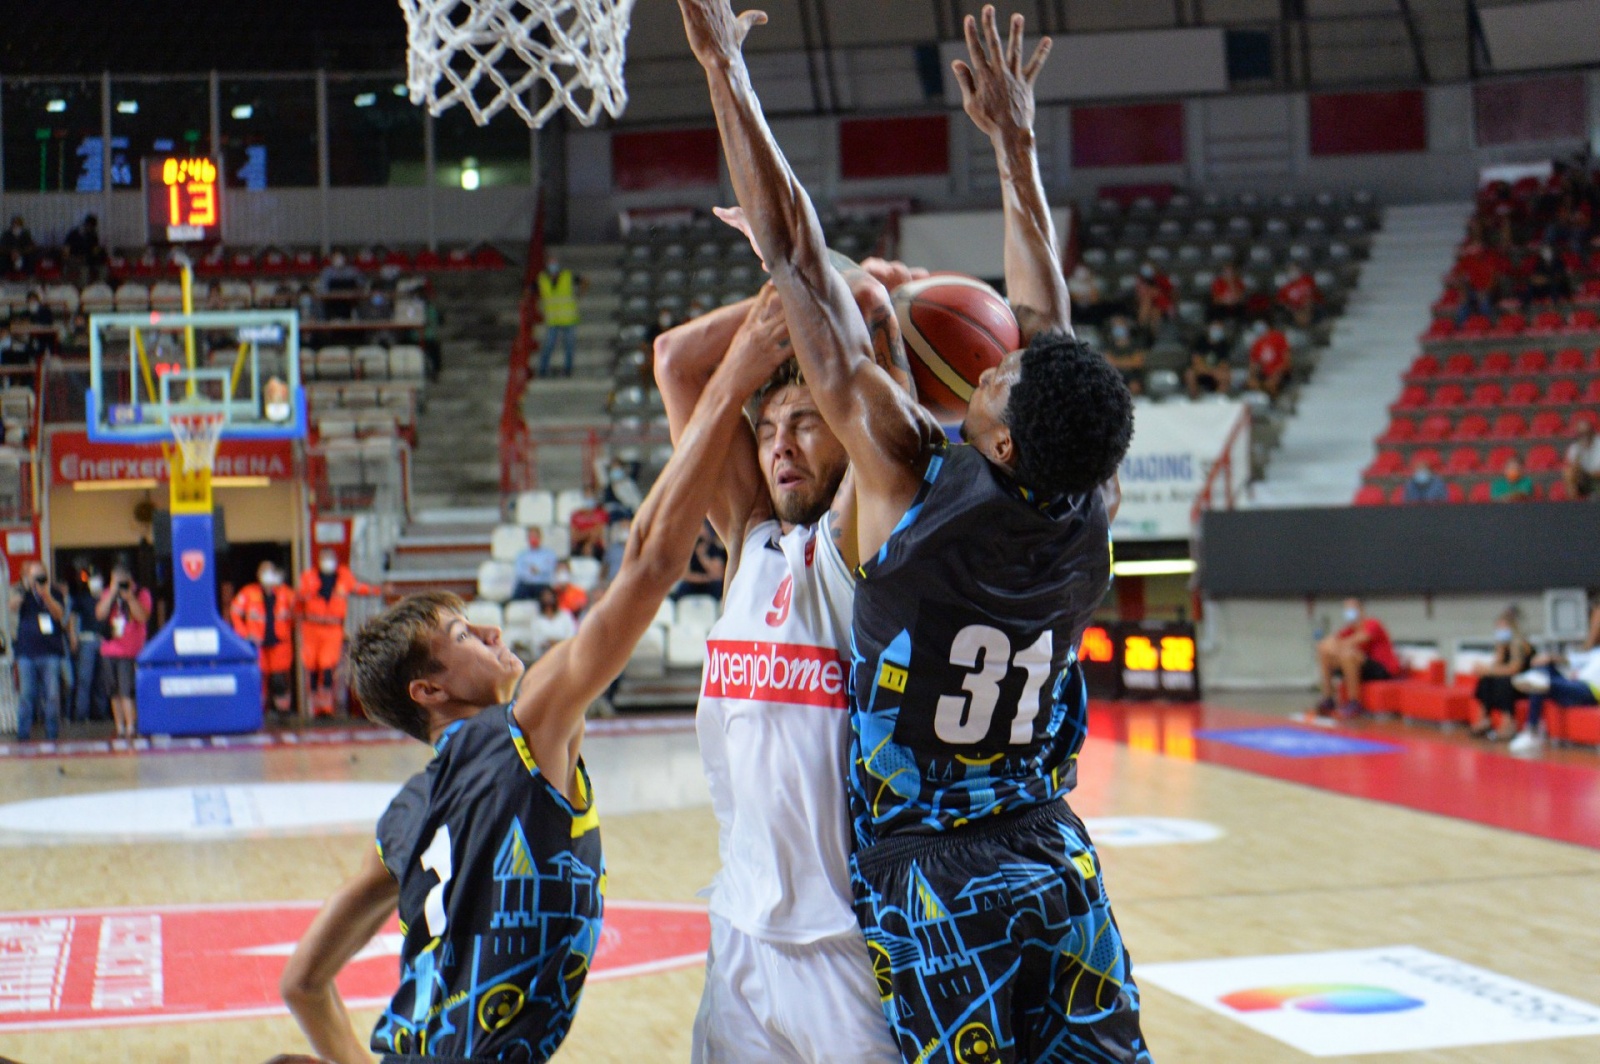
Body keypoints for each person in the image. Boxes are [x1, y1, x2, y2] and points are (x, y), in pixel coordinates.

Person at [680, 3, 1152, 1060]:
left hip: (931, 876)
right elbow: (1049, 330)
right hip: (1051, 850)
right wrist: (1013, 145)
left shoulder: (909, 477)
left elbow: (800, 261)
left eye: (993, 388)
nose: (988, 370)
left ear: (1006, 443)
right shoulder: (1091, 500)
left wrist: (725, 70)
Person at [278, 286, 783, 1063]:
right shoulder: (516, 737)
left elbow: (303, 983)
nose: (487, 627)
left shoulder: (408, 815)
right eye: (459, 634)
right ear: (430, 691)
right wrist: (733, 377)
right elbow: (650, 565)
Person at [656, 266, 910, 1062]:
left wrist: (835, 289)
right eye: (766, 430)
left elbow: (882, 400)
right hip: (738, 937)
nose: (781, 445)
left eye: (806, 422)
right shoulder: (749, 542)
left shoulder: (856, 546)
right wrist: (787, 288)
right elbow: (675, 360)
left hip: (847, 946)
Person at [296, 550, 380, 717]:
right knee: (311, 666)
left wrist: (378, 590)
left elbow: (359, 588)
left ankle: (326, 707)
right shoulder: (308, 578)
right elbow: (299, 599)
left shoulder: (344, 577)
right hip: (311, 627)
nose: (327, 562)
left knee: (327, 666)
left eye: (330, 559)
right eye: (324, 559)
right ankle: (314, 707)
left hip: (333, 628)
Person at [10, 562, 67, 743]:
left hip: (50, 651)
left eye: (42, 576)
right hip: (27, 651)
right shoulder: (21, 592)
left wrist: (46, 595)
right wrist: (27, 588)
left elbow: (59, 615)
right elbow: (12, 605)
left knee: (52, 695)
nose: (39, 580)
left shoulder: (55, 593)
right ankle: (23, 733)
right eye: (35, 577)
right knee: (26, 694)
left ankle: (51, 733)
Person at [231, 561, 297, 718]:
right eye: (264, 572)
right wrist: (245, 634)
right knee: (258, 680)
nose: (267, 575)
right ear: (258, 575)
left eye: (270, 572)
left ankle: (283, 713)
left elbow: (298, 608)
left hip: (280, 644)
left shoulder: (285, 593)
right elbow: (235, 613)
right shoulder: (248, 593)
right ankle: (259, 712)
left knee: (279, 680)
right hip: (257, 644)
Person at [1314, 598, 1400, 717]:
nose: (1349, 612)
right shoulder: (1348, 630)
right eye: (1347, 610)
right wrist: (1327, 647)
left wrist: (1337, 646)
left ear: (1361, 610)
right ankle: (1328, 699)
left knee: (1348, 654)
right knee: (1324, 653)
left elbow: (1358, 639)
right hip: (1361, 668)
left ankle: (1355, 703)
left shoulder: (1372, 624)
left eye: (1352, 609)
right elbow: (1327, 644)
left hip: (1382, 669)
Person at [97, 562, 152, 740]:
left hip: (130, 650)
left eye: (122, 581)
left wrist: (129, 597)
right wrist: (112, 593)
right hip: (110, 649)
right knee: (113, 691)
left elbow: (142, 616)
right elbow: (100, 614)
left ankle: (131, 726)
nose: (119, 585)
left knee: (126, 690)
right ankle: (119, 726)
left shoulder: (141, 593)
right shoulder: (108, 593)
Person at [1508, 648, 1600, 754]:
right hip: (1572, 681)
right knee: (1543, 668)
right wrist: (1550, 658)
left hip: (1590, 691)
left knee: (1539, 682)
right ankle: (1541, 679)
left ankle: (1532, 730)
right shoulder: (1596, 652)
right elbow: (1573, 659)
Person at [1468, 607, 1535, 740]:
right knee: (1487, 679)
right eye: (1498, 628)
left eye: (1503, 627)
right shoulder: (1504, 644)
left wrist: (1489, 670)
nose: (1499, 631)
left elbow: (1514, 669)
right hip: (1512, 682)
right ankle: (1484, 718)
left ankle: (1509, 722)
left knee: (1504, 680)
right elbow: (1497, 665)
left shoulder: (1519, 643)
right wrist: (1486, 667)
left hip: (1525, 685)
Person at [66, 563, 111, 724]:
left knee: (102, 680)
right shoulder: (82, 597)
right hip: (87, 640)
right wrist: (73, 637)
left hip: (105, 641)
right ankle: (80, 715)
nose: (95, 582)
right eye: (92, 579)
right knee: (84, 679)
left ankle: (100, 714)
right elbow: (73, 617)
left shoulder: (108, 597)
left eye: (97, 579)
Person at [536, 256, 586, 377]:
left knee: (569, 346)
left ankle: (568, 370)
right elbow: (531, 290)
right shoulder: (542, 279)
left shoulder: (567, 276)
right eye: (550, 264)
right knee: (548, 346)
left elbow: (585, 281)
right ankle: (542, 370)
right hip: (553, 319)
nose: (553, 266)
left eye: (554, 264)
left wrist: (579, 294)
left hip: (568, 318)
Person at [671, 520, 726, 600]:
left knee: (719, 587)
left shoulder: (715, 548)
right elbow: (685, 574)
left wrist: (702, 557)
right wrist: (703, 578)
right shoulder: (688, 550)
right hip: (693, 583)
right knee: (682, 589)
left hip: (710, 585)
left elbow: (717, 574)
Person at [1246, 318, 1292, 400]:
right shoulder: (1256, 343)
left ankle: (1276, 402)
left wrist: (1277, 374)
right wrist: (1252, 377)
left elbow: (1287, 360)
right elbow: (1253, 364)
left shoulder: (1278, 337)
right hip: (1264, 374)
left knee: (1271, 384)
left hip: (1280, 373)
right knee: (1252, 383)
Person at [1186, 319, 1233, 397]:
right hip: (1202, 372)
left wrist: (1216, 372)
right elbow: (1196, 362)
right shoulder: (1200, 342)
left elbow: (1224, 365)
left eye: (1219, 328)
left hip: (1216, 373)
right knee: (1190, 374)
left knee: (1226, 376)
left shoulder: (1224, 345)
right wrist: (1210, 372)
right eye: (1215, 328)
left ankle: (1219, 399)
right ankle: (1194, 399)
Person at [1103, 315, 1147, 396]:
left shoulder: (1136, 344)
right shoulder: (1108, 345)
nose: (1118, 328)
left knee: (1134, 386)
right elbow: (1108, 362)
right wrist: (1129, 361)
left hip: (1133, 376)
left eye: (1120, 325)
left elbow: (1138, 362)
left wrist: (1117, 362)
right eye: (1116, 326)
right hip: (1115, 376)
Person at [510, 528, 559, 601]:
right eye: (531, 537)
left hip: (543, 584)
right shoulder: (521, 555)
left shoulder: (549, 554)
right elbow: (519, 572)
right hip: (526, 585)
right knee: (517, 595)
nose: (533, 539)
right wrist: (533, 572)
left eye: (535, 536)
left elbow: (550, 569)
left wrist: (537, 570)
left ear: (540, 538)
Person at [528, 586, 577, 659]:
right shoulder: (537, 619)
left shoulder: (565, 615)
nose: (547, 599)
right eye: (545, 596)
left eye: (549, 596)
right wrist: (548, 643)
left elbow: (571, 634)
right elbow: (535, 639)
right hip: (544, 653)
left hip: (564, 651)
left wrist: (557, 643)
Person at [317, 251, 365, 321]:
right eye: (336, 258)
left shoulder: (352, 271)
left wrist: (355, 292)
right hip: (332, 301)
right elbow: (323, 288)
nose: (339, 260)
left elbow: (361, 284)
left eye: (340, 258)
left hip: (350, 301)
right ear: (332, 259)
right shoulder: (327, 272)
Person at [62, 213, 108, 284]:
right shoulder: (73, 234)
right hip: (74, 259)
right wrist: (70, 258)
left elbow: (94, 251)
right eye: (90, 226)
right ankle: (83, 289)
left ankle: (101, 287)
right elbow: (66, 250)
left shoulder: (93, 235)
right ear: (86, 224)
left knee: (103, 268)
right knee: (84, 270)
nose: (91, 229)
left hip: (87, 260)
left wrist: (100, 247)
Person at [1275, 263, 1319, 330]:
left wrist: (1308, 307)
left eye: (1295, 270)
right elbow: (1283, 304)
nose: (1293, 272)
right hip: (1295, 312)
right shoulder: (1284, 288)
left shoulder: (1307, 280)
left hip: (1312, 309)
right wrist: (1294, 311)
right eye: (1291, 270)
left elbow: (1314, 294)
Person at [1563, 418, 1598, 500]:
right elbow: (1573, 468)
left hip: (1597, 479)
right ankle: (1575, 506)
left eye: (1587, 433)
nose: (1585, 436)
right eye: (1581, 433)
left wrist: (1586, 472)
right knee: (1568, 473)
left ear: (1592, 432)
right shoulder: (1575, 448)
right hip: (1584, 480)